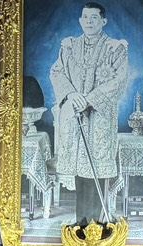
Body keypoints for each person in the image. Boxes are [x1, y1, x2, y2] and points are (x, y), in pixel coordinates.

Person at [49, 3, 129, 225]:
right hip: (75, 116)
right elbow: (56, 72)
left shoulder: (115, 48)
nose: (89, 21)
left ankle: (99, 224)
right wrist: (71, 94)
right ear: (80, 20)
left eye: (94, 18)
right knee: (80, 172)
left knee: (97, 171)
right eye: (85, 17)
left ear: (103, 21)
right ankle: (82, 223)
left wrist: (89, 99)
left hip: (99, 118)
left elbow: (119, 80)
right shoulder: (69, 46)